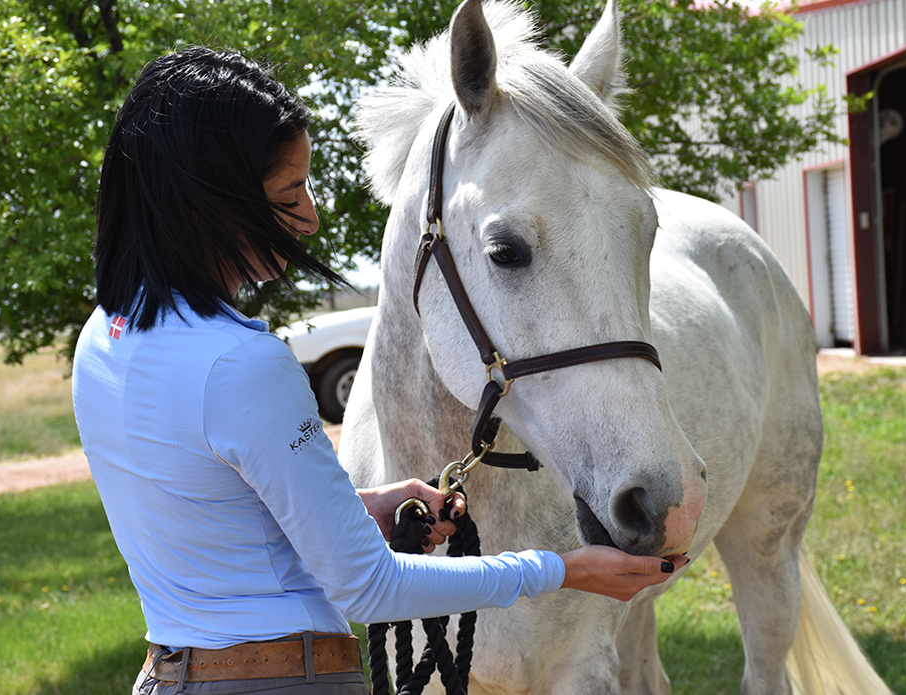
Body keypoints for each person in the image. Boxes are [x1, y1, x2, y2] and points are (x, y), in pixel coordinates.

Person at [71, 46, 686, 695]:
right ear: (206, 203)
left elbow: (214, 505)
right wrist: (559, 569)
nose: (309, 218)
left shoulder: (105, 337)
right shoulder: (244, 363)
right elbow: (368, 585)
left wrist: (360, 507)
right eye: (287, 196)